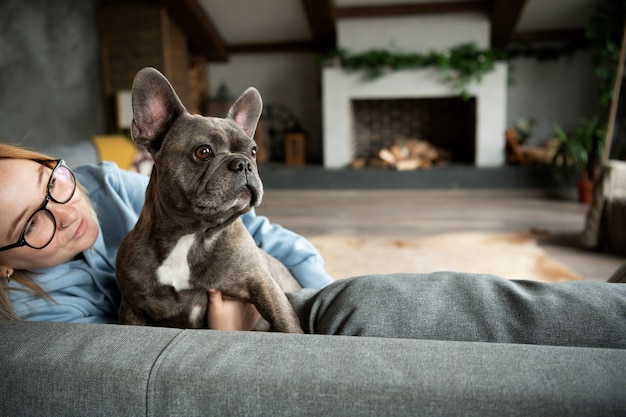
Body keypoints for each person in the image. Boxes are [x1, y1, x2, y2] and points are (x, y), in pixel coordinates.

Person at [1, 143, 626, 349]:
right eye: (31, 224)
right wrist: (227, 339)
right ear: (4, 266)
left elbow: (267, 237)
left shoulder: (108, 184)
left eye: (51, 180)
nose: (64, 211)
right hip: (232, 346)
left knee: (438, 301)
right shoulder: (40, 317)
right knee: (409, 312)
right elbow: (137, 372)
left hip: (288, 303)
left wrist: (311, 288)